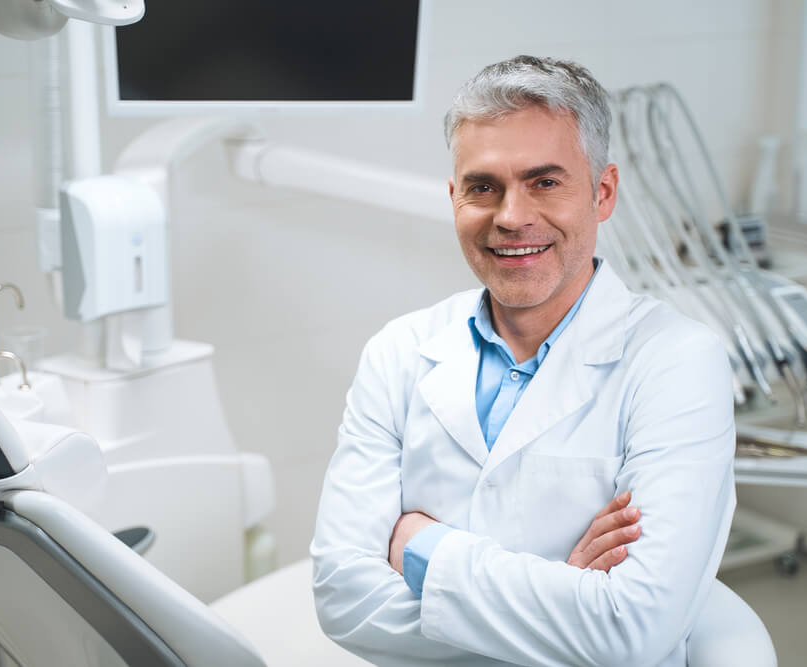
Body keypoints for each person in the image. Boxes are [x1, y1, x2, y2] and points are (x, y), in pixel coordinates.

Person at [310, 56, 736, 666]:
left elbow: (633, 632)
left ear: (603, 192)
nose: (510, 217)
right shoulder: (398, 351)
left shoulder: (677, 361)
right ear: (454, 196)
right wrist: (565, 595)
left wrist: (419, 545)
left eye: (545, 182)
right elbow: (342, 599)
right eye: (484, 187)